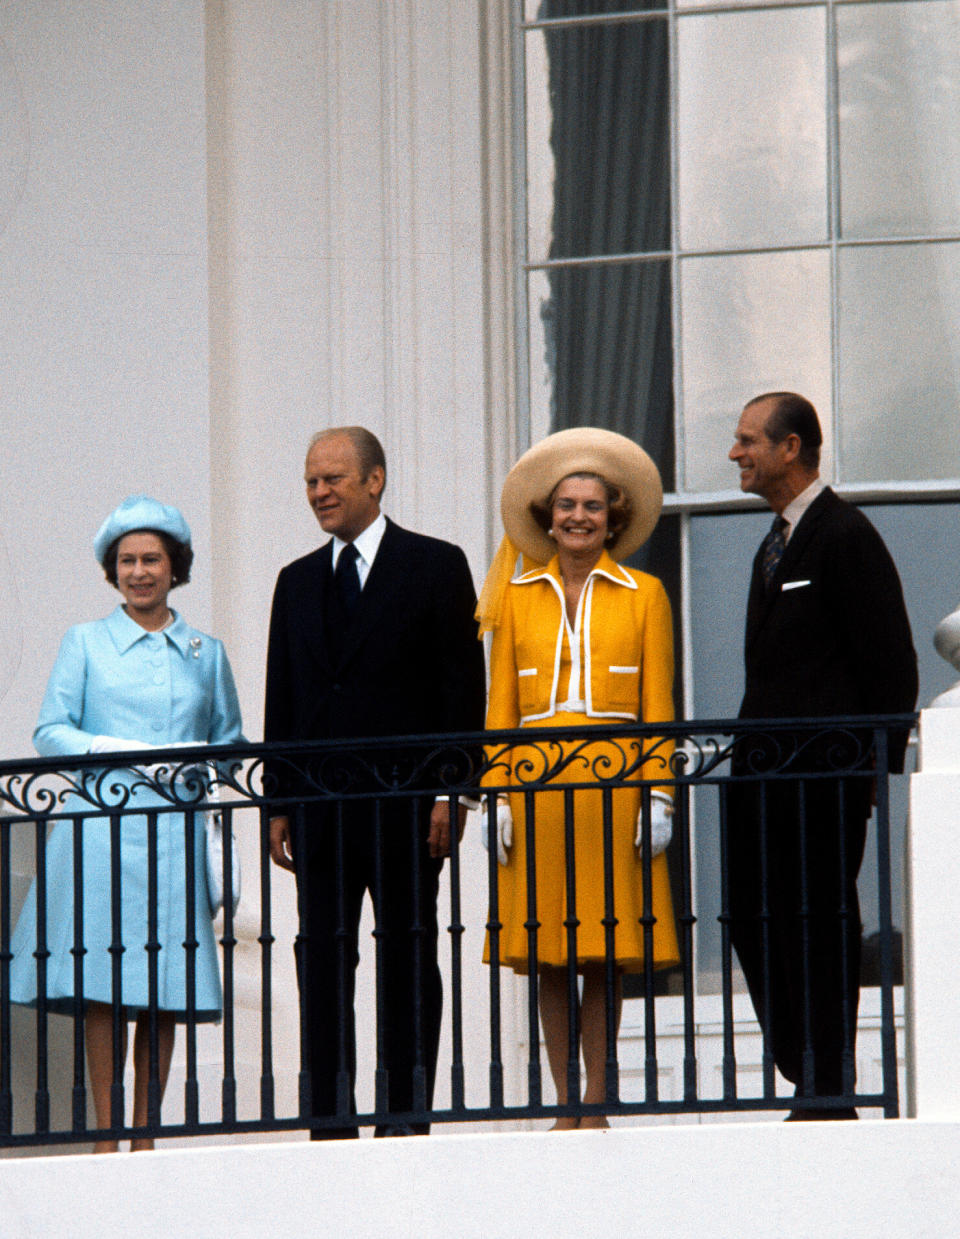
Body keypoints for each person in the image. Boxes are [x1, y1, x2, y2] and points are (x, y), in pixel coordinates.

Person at [264, 426, 486, 1138]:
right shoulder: (295, 581)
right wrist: (278, 800)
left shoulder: (435, 564)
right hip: (322, 807)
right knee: (322, 960)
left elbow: (462, 690)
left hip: (408, 805)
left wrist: (454, 789)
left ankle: (404, 1115)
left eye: (331, 479)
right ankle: (329, 1118)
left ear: (375, 480)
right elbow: (283, 698)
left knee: (408, 955)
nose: (319, 493)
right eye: (309, 481)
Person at [8, 495, 244, 1151]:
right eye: (128, 560)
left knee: (163, 986)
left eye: (152, 559)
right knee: (103, 984)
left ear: (176, 567)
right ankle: (108, 1134)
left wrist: (202, 771)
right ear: (113, 570)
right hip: (100, 830)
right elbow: (50, 730)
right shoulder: (85, 642)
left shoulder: (204, 651)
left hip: (174, 833)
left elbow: (230, 743)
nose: (140, 571)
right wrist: (107, 750)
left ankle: (146, 1134)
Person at [477, 427, 680, 1129]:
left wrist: (660, 793)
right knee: (548, 952)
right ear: (546, 514)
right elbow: (499, 705)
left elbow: (660, 703)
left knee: (604, 950)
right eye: (566, 504)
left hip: (615, 785)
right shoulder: (517, 592)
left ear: (613, 516)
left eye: (593, 506)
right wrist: (494, 794)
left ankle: (597, 1097)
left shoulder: (645, 592)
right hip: (535, 786)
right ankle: (564, 1099)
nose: (578, 517)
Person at [727, 391, 918, 1118]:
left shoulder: (844, 535)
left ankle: (827, 1077)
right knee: (751, 914)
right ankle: (801, 1057)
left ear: (792, 448)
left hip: (826, 776)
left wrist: (871, 769)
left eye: (749, 440)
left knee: (819, 917)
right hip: (762, 779)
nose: (737, 453)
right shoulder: (773, 542)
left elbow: (892, 663)